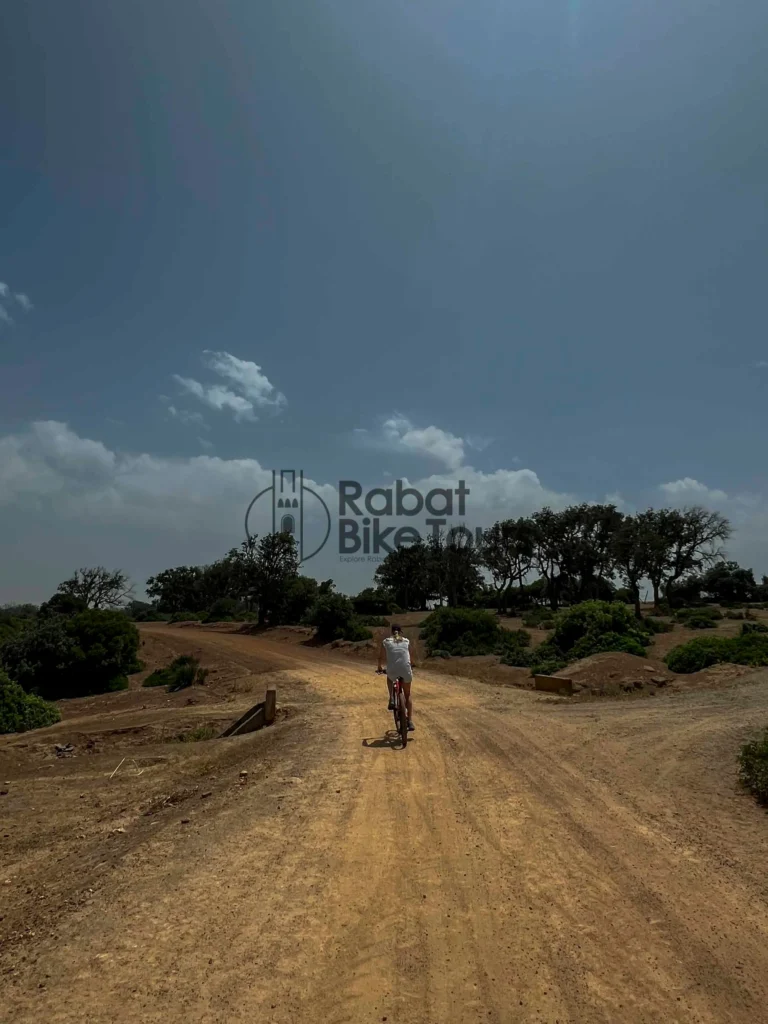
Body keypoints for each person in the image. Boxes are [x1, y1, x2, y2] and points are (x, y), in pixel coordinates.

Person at [377, 624, 415, 731]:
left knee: (389, 677)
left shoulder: (386, 641)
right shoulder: (406, 641)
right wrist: (412, 664)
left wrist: (379, 667)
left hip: (392, 670)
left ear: (392, 631)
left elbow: (380, 657)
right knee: (407, 694)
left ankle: (392, 698)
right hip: (406, 669)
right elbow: (411, 656)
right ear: (400, 632)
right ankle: (410, 721)